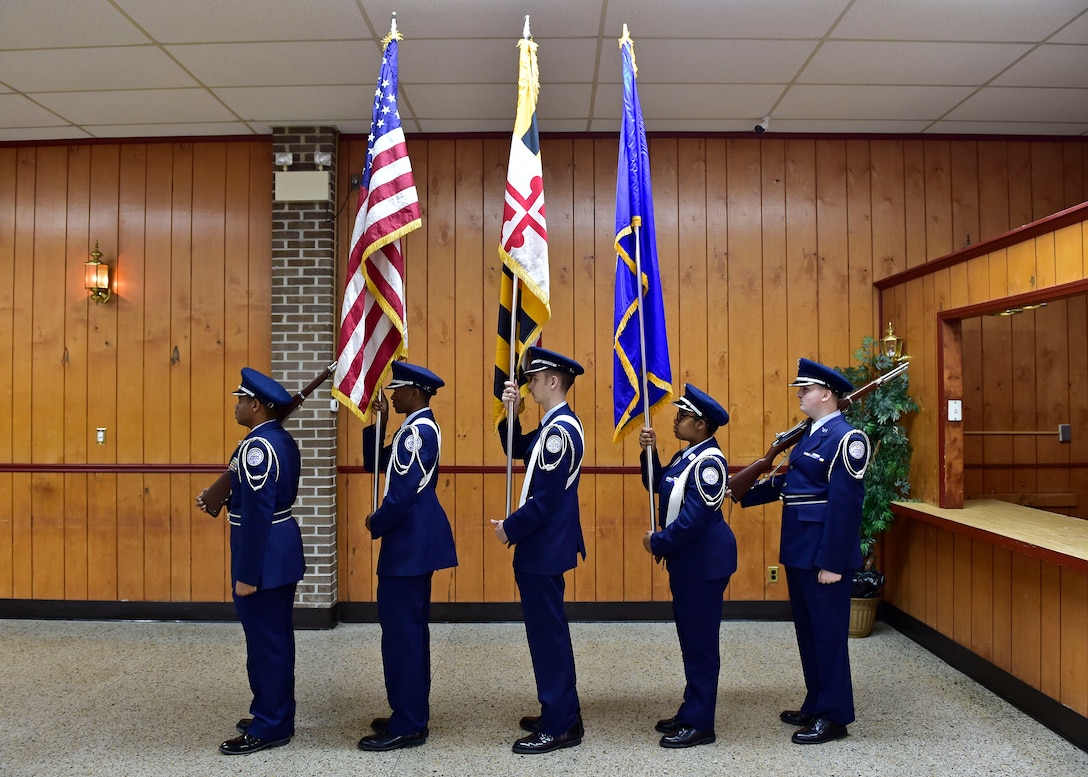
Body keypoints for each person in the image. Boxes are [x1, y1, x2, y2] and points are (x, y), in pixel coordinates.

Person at [736, 358, 870, 745]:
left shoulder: (847, 439)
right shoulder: (810, 434)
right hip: (798, 549)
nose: (800, 394)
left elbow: (845, 508)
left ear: (826, 394)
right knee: (809, 634)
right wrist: (741, 492)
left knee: (827, 636)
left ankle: (835, 715)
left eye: (806, 389)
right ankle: (816, 701)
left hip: (823, 556)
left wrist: (832, 562)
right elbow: (791, 485)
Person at [201, 368, 305, 755]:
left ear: (256, 405)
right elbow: (261, 495)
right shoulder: (278, 438)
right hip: (278, 549)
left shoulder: (257, 448)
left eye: (241, 400)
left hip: (263, 555)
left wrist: (247, 575)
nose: (237, 405)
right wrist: (226, 498)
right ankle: (275, 712)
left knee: (266, 644)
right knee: (273, 640)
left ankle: (271, 724)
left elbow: (261, 512)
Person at [356, 362, 458, 752]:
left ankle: (410, 722)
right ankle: (406, 709)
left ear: (415, 393)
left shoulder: (417, 433)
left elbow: (399, 498)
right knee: (403, 634)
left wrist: (374, 522)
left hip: (409, 546)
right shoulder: (411, 428)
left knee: (404, 637)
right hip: (411, 546)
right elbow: (375, 464)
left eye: (396, 390)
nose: (392, 395)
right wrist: (376, 420)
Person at [492, 346, 586, 755]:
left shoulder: (559, 433)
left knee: (547, 638)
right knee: (549, 633)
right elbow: (516, 450)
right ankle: (564, 711)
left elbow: (544, 501)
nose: (528, 382)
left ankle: (559, 725)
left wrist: (509, 528)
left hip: (543, 547)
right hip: (545, 547)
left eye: (534, 378)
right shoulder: (552, 426)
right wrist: (512, 414)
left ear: (553, 381)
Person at [638, 384, 737, 749]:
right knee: (692, 641)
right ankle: (690, 708)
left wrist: (658, 542)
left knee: (701, 645)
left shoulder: (710, 464)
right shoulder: (687, 456)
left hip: (705, 564)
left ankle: (700, 723)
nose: (676, 420)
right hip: (689, 564)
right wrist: (649, 452)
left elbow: (694, 520)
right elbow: (656, 483)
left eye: (682, 416)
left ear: (701, 424)